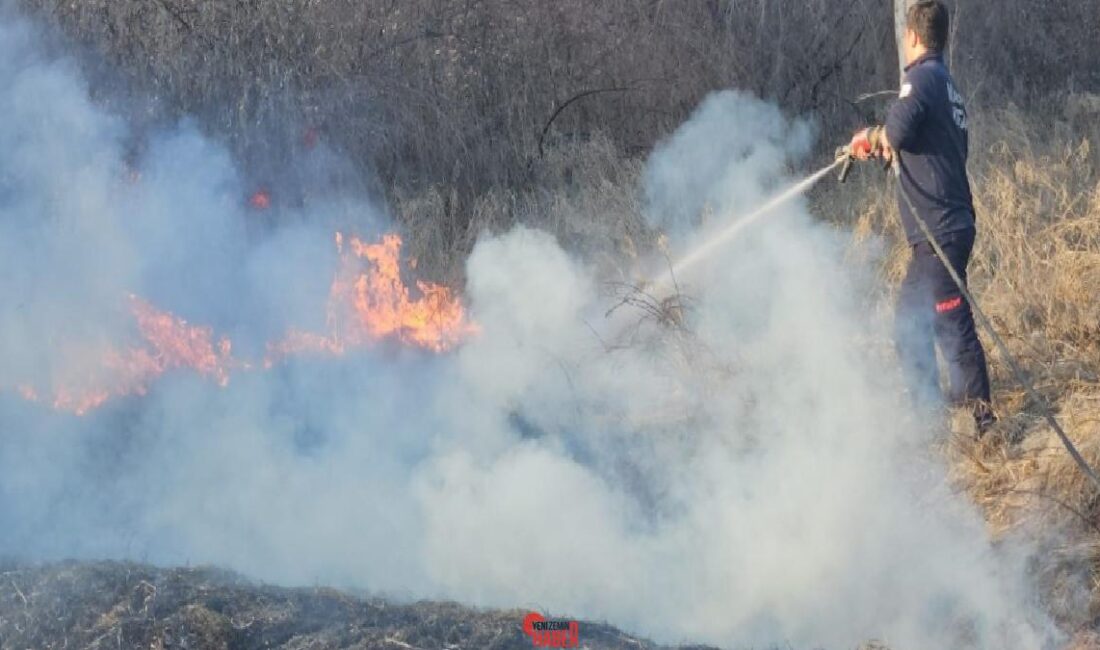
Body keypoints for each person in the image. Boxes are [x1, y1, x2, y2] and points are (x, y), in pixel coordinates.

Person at [848, 0, 995, 434]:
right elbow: (926, 145)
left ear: (911, 36)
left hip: (940, 230)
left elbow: (897, 129)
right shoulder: (947, 86)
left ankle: (983, 422)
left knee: (952, 322)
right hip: (941, 230)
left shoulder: (921, 79)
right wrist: (889, 146)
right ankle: (928, 417)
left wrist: (872, 137)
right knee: (909, 321)